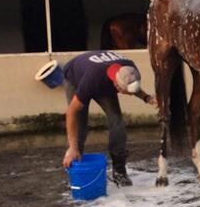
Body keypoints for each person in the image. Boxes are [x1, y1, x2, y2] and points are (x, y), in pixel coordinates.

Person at [62, 50, 156, 186]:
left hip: (101, 78)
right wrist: (72, 146)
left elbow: (132, 85)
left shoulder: (129, 68)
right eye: (125, 92)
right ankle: (75, 169)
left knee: (117, 122)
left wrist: (147, 98)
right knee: (80, 127)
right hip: (75, 76)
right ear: (117, 85)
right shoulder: (93, 79)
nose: (129, 95)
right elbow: (71, 112)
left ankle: (119, 171)